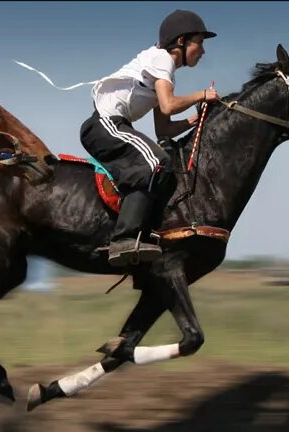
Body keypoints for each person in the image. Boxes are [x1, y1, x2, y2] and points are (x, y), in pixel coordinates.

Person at [79, 9, 218, 267]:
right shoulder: (161, 59)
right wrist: (202, 95)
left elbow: (164, 129)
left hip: (111, 125)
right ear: (181, 41)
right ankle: (124, 239)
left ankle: (143, 232)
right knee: (155, 162)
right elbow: (168, 105)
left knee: (158, 159)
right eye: (199, 42)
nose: (203, 50)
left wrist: (195, 120)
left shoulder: (162, 73)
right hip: (104, 125)